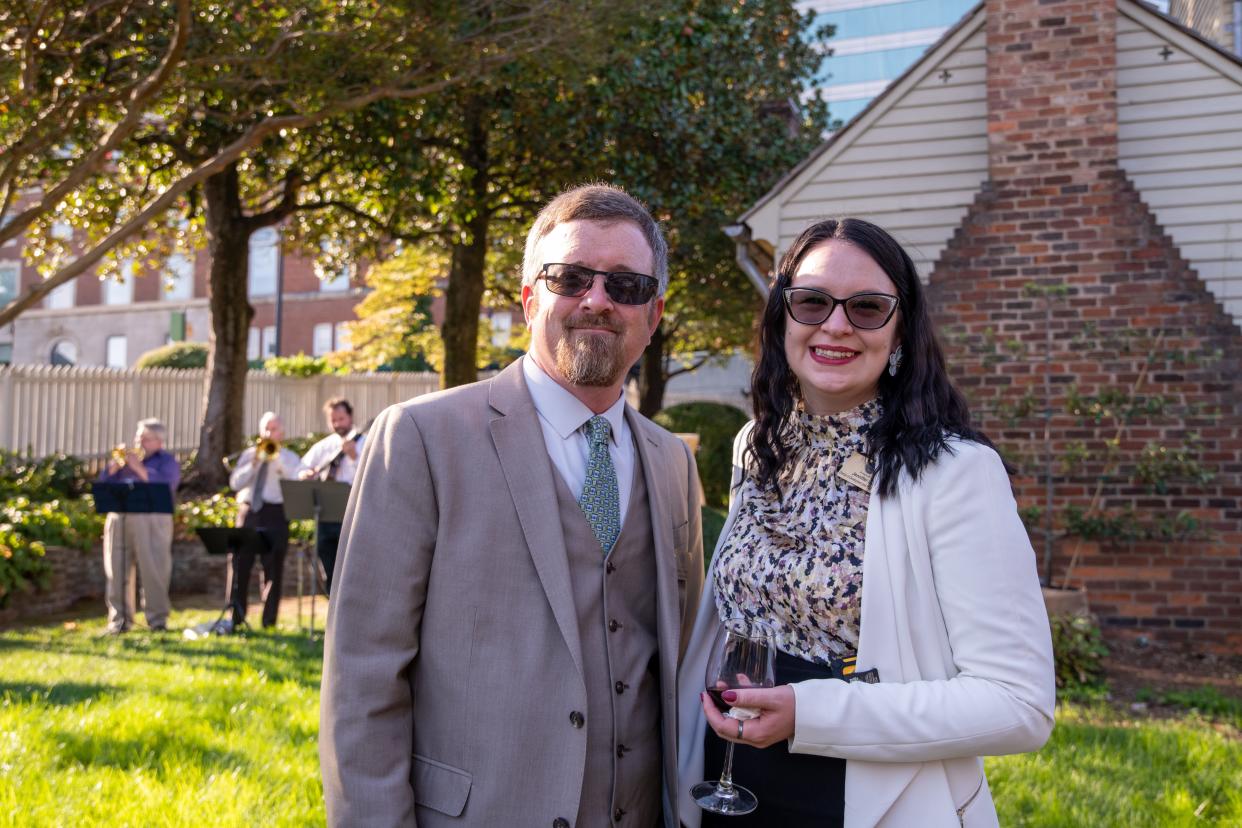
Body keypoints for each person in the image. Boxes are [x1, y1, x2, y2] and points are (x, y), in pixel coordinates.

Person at [321, 183, 705, 828]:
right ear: (529, 299)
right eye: (571, 277)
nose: (598, 300)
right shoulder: (420, 437)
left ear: (654, 313)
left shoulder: (673, 461)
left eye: (626, 286)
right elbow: (363, 677)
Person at [677, 219, 1055, 827]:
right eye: (811, 301)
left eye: (868, 307)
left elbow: (1020, 706)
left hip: (868, 795)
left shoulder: (956, 473)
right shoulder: (758, 445)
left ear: (902, 330)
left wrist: (811, 713)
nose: (835, 324)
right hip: (729, 780)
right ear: (782, 318)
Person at [97, 418, 180, 634]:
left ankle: (157, 620)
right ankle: (119, 621)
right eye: (138, 437)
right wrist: (113, 469)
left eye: (145, 438)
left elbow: (167, 485)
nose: (139, 442)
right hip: (119, 516)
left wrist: (139, 468)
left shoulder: (167, 461)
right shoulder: (125, 462)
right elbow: (103, 484)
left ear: (159, 442)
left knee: (154, 569)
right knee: (116, 569)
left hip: (152, 518)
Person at [227, 411, 301, 629]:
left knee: (273, 568)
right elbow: (235, 483)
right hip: (249, 511)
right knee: (240, 563)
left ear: (282, 432)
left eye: (274, 428)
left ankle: (269, 621)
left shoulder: (288, 457)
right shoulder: (249, 454)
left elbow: (296, 478)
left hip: (275, 513)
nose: (270, 432)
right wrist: (253, 465)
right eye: (266, 428)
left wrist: (277, 461)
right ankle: (236, 618)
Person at [297, 397, 364, 593]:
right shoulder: (324, 446)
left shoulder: (365, 442)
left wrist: (354, 457)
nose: (337, 424)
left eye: (341, 419)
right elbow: (300, 469)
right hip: (326, 514)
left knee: (352, 564)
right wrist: (305, 475)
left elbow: (375, 476)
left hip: (352, 513)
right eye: (333, 420)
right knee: (328, 561)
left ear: (350, 417)